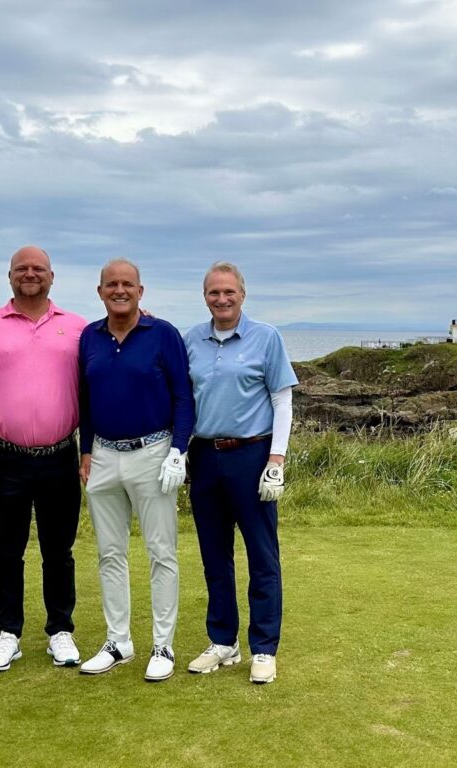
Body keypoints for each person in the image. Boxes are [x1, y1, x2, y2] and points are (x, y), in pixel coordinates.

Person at [0, 246, 87, 673]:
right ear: (9, 276)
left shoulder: (78, 328)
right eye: (22, 269)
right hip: (6, 457)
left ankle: (60, 629)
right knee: (6, 548)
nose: (30, 275)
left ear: (52, 276)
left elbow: (94, 389)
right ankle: (7, 633)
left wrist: (91, 451)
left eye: (38, 269)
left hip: (60, 455)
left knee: (58, 548)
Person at [78, 259, 194, 682]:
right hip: (104, 455)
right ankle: (118, 641)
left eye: (128, 284)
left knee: (161, 552)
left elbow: (184, 397)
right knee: (110, 553)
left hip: (154, 451)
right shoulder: (89, 337)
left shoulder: (163, 335)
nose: (120, 290)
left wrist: (178, 451)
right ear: (101, 290)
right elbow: (85, 399)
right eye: (112, 284)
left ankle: (163, 644)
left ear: (140, 291)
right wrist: (84, 450)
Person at [183, 262, 298, 684]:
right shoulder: (191, 339)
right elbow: (185, 400)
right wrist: (179, 452)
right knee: (215, 554)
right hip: (205, 456)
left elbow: (282, 401)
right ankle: (223, 641)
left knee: (262, 556)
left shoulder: (266, 338)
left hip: (252, 456)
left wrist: (276, 460)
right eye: (214, 292)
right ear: (205, 296)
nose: (222, 299)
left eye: (229, 292)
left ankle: (264, 647)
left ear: (242, 295)